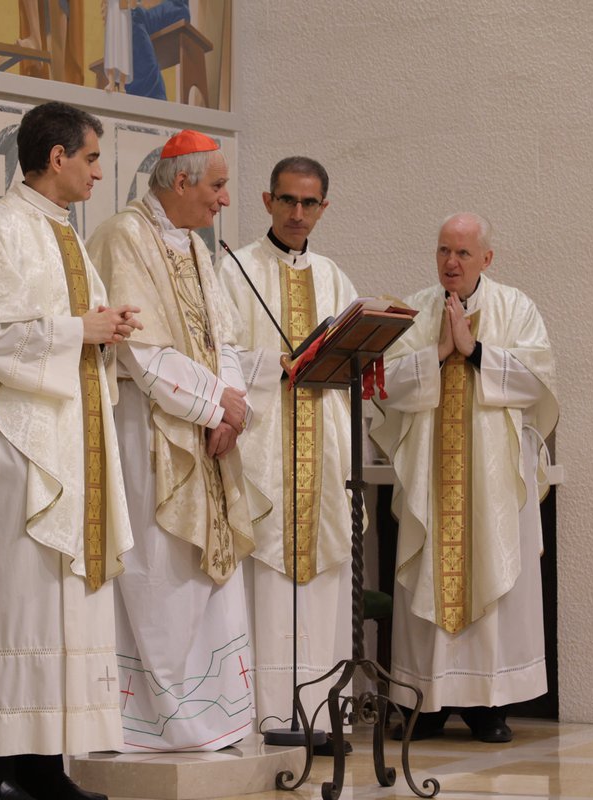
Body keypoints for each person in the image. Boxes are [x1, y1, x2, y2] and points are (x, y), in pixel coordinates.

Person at [0, 101, 140, 800]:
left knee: (62, 603)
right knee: (17, 601)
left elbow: (74, 325)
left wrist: (107, 329)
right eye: (90, 158)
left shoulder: (68, 236)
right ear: (56, 158)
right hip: (20, 450)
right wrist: (77, 330)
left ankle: (47, 764)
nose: (98, 172)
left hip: (73, 441)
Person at [87, 129, 269, 752]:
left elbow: (226, 339)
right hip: (149, 436)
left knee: (204, 580)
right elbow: (140, 352)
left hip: (206, 435)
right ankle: (151, 725)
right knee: (159, 572)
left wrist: (232, 410)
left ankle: (212, 718)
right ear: (183, 182)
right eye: (217, 186)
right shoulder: (122, 237)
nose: (224, 201)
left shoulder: (194, 246)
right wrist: (215, 402)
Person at [370, 212, 558, 743]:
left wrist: (474, 353)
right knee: (430, 570)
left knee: (490, 571)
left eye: (463, 253)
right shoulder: (414, 310)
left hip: (493, 479)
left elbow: (538, 381)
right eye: (443, 251)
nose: (451, 263)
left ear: (486, 259)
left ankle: (488, 704)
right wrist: (438, 353)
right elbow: (386, 385)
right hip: (432, 474)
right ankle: (425, 701)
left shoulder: (515, 307)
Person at [215, 157, 361, 731]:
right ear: (266, 200)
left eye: (309, 204)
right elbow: (216, 350)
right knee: (268, 576)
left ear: (324, 207)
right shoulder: (234, 270)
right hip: (264, 454)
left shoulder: (334, 277)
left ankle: (323, 716)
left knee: (324, 575)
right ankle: (268, 712)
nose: (297, 214)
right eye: (287, 201)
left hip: (322, 452)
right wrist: (272, 363)